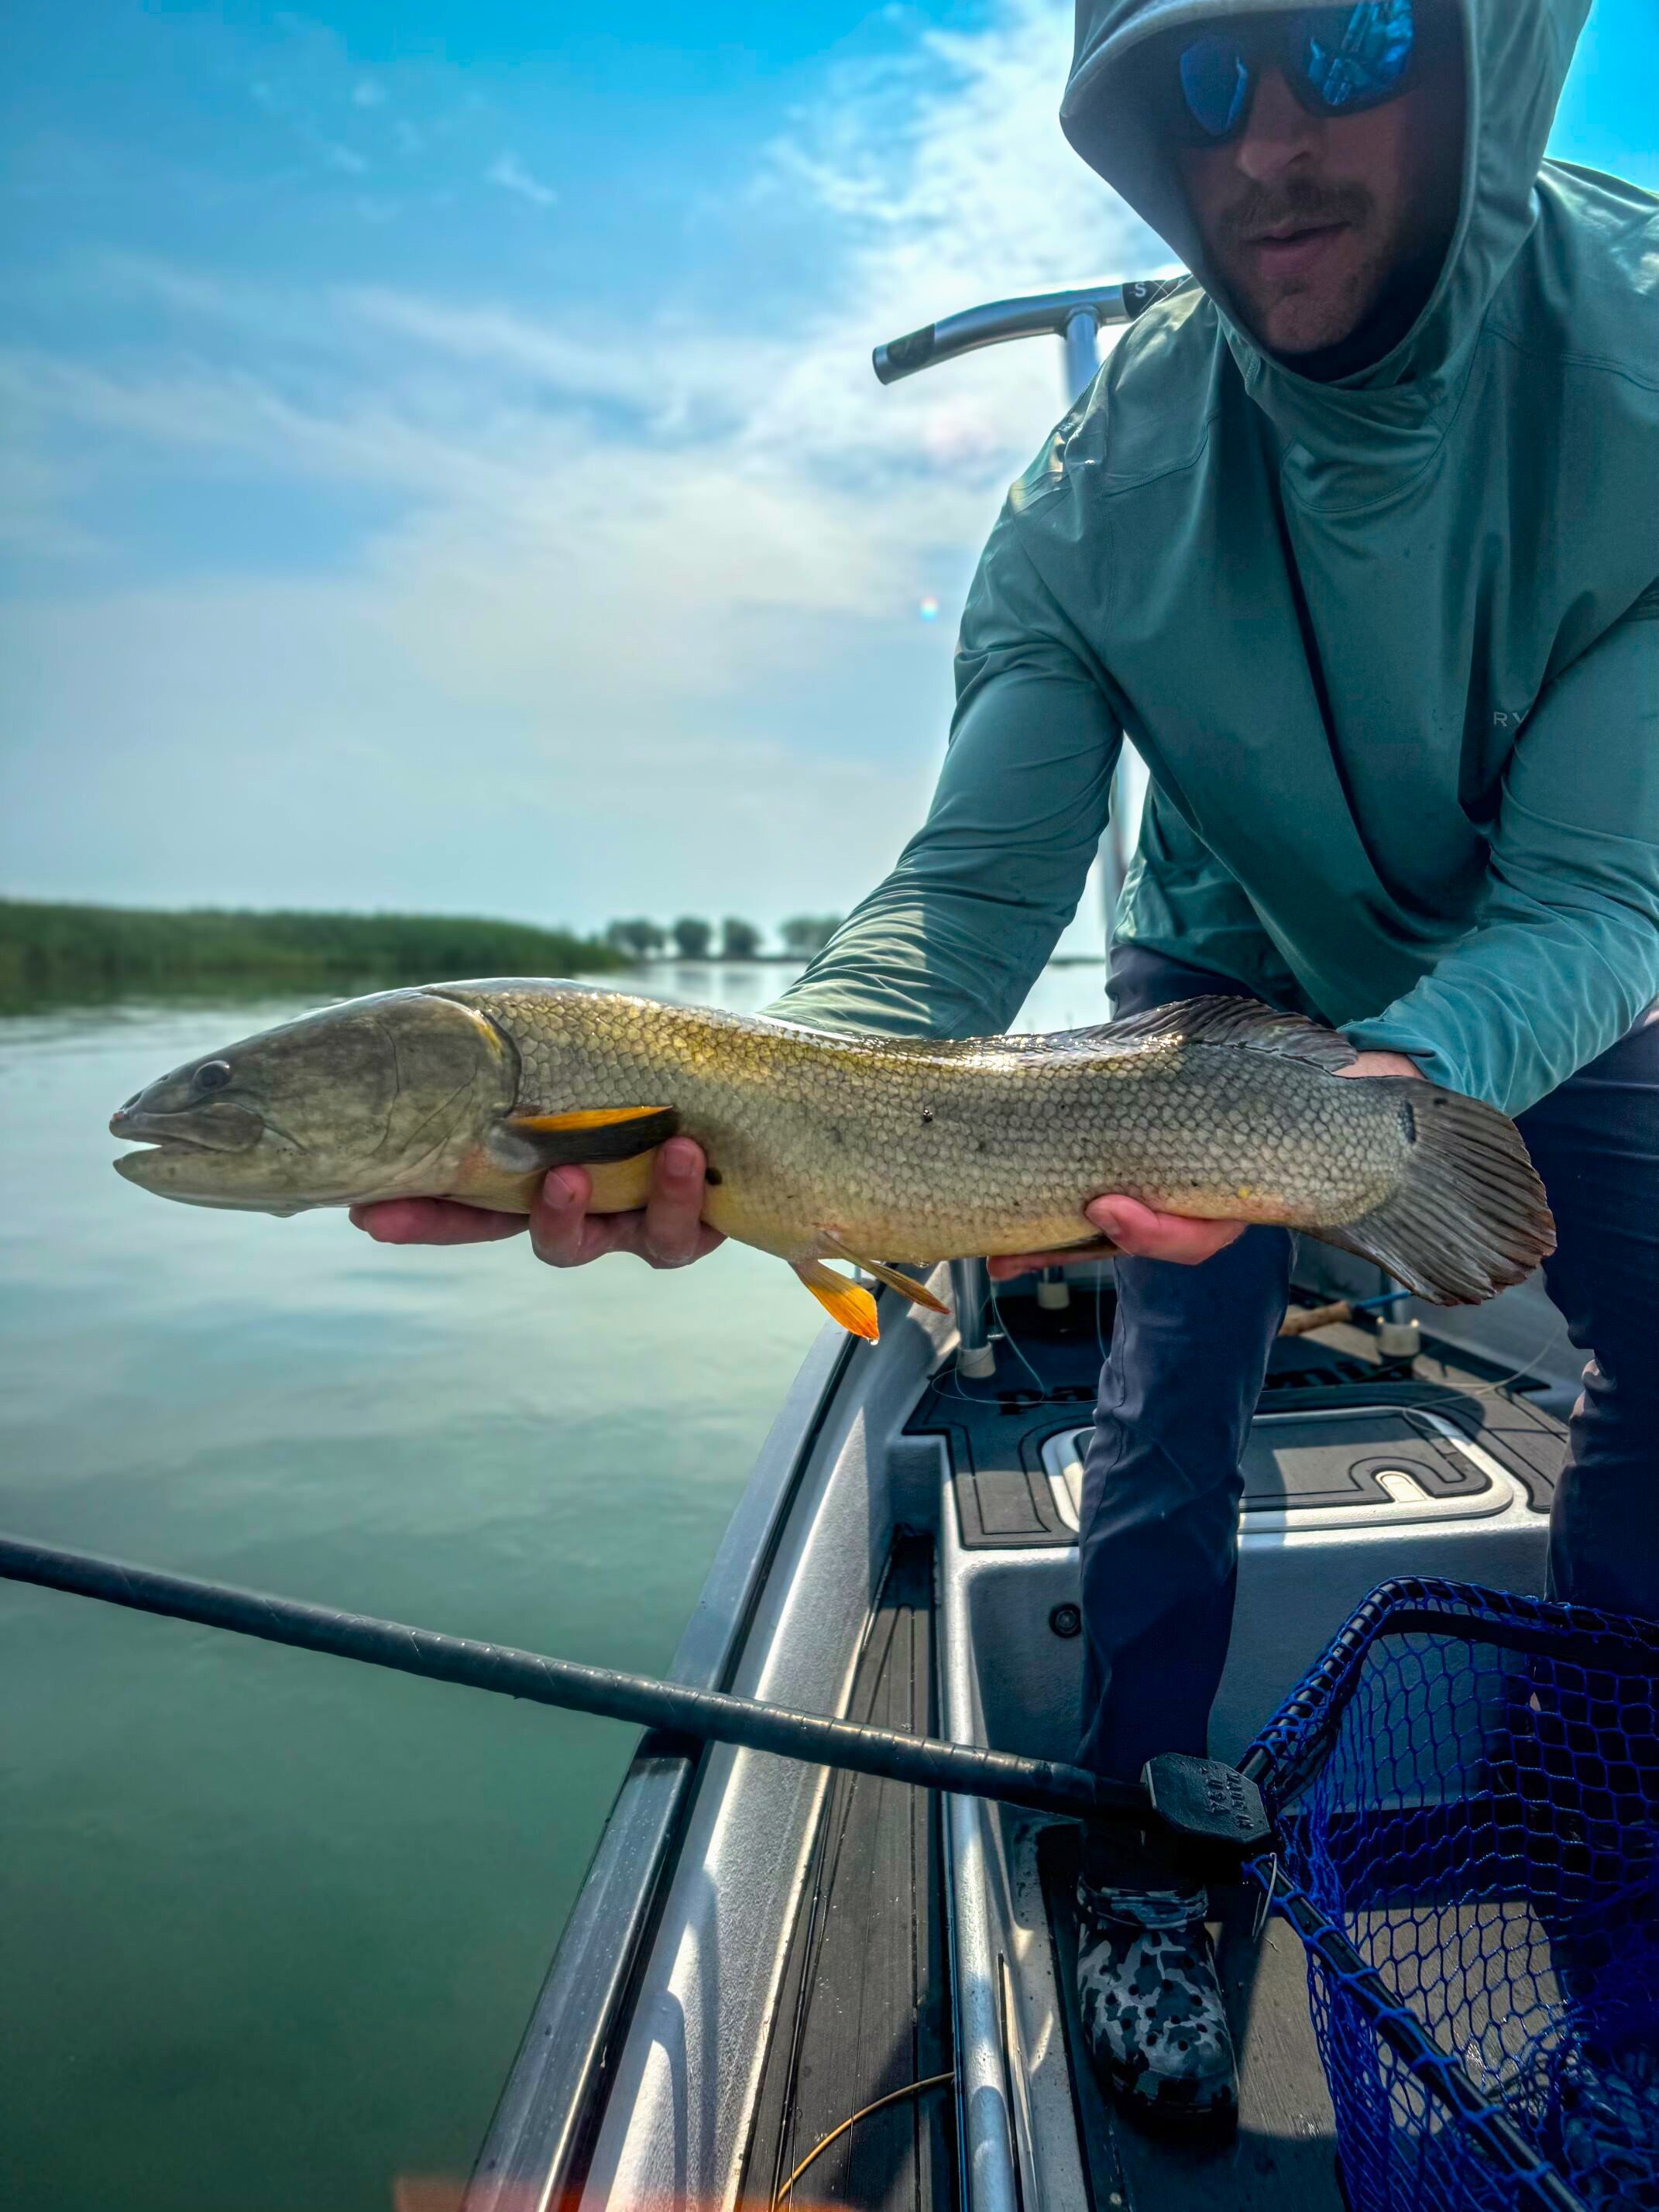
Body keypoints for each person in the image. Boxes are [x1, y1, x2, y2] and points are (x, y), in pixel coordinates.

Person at [354, 0, 1659, 2143]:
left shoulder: (1643, 371)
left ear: (1488, 57)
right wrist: (754, 1112)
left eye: (1346, 43)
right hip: (1215, 961)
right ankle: (1151, 1834)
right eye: (1202, 88)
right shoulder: (1096, 491)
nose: (1267, 146)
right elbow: (960, 908)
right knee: (1170, 1394)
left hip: (1557, 942)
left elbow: (1608, 894)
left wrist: (1392, 1089)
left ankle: (1592, 1822)